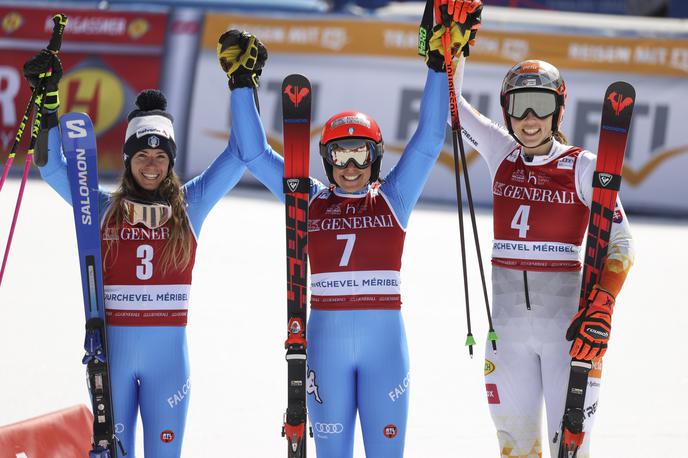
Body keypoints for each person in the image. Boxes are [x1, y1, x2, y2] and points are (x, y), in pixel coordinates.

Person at [215, 4, 481, 456]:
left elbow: (431, 137)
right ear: (326, 161)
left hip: (385, 355)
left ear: (375, 157)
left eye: (360, 154)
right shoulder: (311, 202)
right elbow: (255, 155)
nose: (352, 166)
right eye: (340, 156)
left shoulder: (393, 198)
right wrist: (241, 85)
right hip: (327, 351)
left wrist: (440, 63)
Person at [23, 52, 248, 457]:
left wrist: (242, 84)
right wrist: (48, 100)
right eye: (142, 155)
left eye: (161, 156)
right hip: (114, 362)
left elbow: (241, 153)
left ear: (171, 160)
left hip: (169, 367)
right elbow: (53, 169)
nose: (152, 165)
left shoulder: (191, 205)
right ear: (127, 160)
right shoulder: (101, 209)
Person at [454, 57, 635, 456]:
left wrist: (603, 304)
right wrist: (457, 51)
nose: (530, 118)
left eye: (542, 104)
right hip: (507, 338)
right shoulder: (501, 152)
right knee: (515, 449)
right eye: (520, 106)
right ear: (507, 110)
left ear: (559, 109)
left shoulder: (582, 166)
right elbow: (450, 106)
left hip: (568, 340)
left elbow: (621, 243)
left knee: (571, 449)